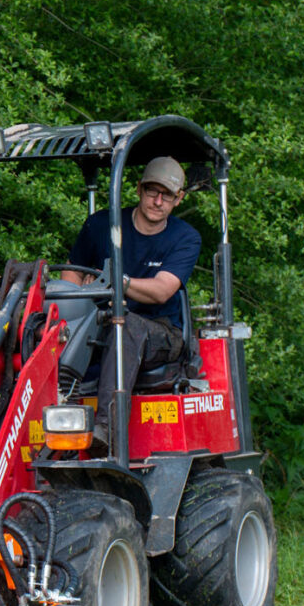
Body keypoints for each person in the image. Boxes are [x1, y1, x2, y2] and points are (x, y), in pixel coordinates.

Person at [61, 156, 201, 451]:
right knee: (47, 324)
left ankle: (106, 430)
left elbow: (162, 290)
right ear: (139, 189)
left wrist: (118, 282)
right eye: (152, 191)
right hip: (100, 322)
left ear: (179, 199)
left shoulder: (185, 237)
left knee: (125, 326)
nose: (158, 201)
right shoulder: (101, 225)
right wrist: (70, 305)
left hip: (161, 331)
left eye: (167, 196)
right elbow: (72, 274)